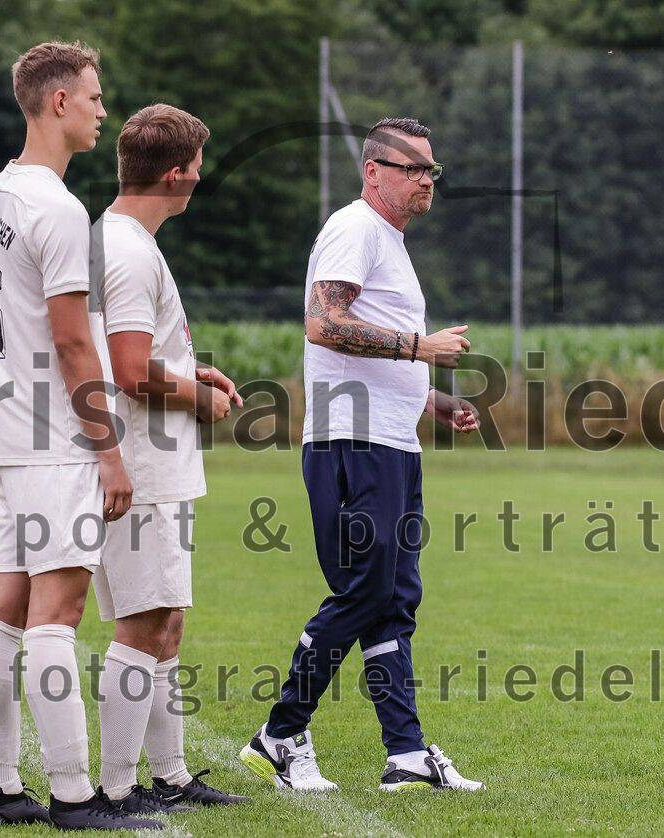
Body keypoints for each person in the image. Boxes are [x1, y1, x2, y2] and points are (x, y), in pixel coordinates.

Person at [240, 117, 486, 792]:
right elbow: (325, 323)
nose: (425, 179)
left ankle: (405, 755)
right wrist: (418, 347)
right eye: (411, 167)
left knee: (393, 599)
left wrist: (431, 397)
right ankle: (281, 731)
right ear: (373, 171)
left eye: (431, 168)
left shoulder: (392, 244)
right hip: (352, 442)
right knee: (367, 590)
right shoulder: (354, 227)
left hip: (392, 442)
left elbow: (372, 342)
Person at [0, 41, 162, 831]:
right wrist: (109, 450)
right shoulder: (56, 205)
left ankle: (3, 786)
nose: (101, 109)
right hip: (53, 433)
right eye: (92, 96)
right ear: (56, 103)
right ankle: (75, 796)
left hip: (8, 429)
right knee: (59, 609)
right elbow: (76, 342)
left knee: (6, 605)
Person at [89, 103, 250, 816]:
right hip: (139, 466)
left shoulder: (122, 240)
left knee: (165, 619)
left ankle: (172, 775)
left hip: (156, 464)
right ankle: (117, 789)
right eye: (198, 169)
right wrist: (198, 397)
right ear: (178, 175)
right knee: (143, 622)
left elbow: (137, 352)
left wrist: (194, 369)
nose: (200, 180)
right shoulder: (124, 247)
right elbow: (127, 370)